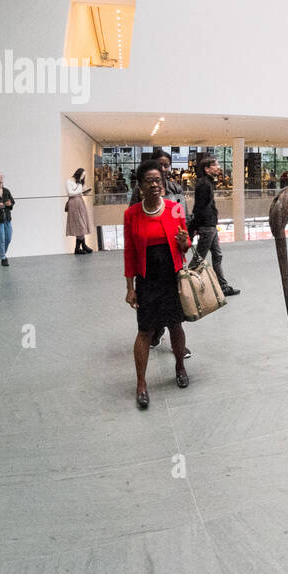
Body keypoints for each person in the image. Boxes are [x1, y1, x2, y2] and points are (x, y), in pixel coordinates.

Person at [124, 159, 192, 409]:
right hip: (146, 280)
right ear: (140, 186)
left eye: (158, 180)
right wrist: (130, 287)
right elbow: (129, 252)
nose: (155, 184)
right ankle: (141, 384)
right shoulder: (132, 214)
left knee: (176, 324)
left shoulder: (174, 208)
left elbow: (184, 246)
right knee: (145, 331)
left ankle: (180, 367)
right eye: (149, 181)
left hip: (171, 277)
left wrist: (185, 241)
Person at [189, 153, 240, 296]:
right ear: (207, 168)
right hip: (207, 226)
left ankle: (223, 286)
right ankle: (186, 284)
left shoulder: (207, 182)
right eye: (215, 165)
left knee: (217, 255)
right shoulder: (204, 184)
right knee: (198, 259)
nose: (218, 167)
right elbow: (200, 207)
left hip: (210, 225)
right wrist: (196, 227)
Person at [66, 168, 94, 254]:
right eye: (82, 175)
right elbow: (70, 193)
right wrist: (80, 190)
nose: (83, 178)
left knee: (82, 224)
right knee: (80, 225)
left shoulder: (80, 183)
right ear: (78, 174)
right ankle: (83, 246)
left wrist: (86, 191)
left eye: (84, 176)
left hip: (80, 202)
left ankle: (78, 248)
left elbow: (81, 193)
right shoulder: (69, 181)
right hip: (73, 203)